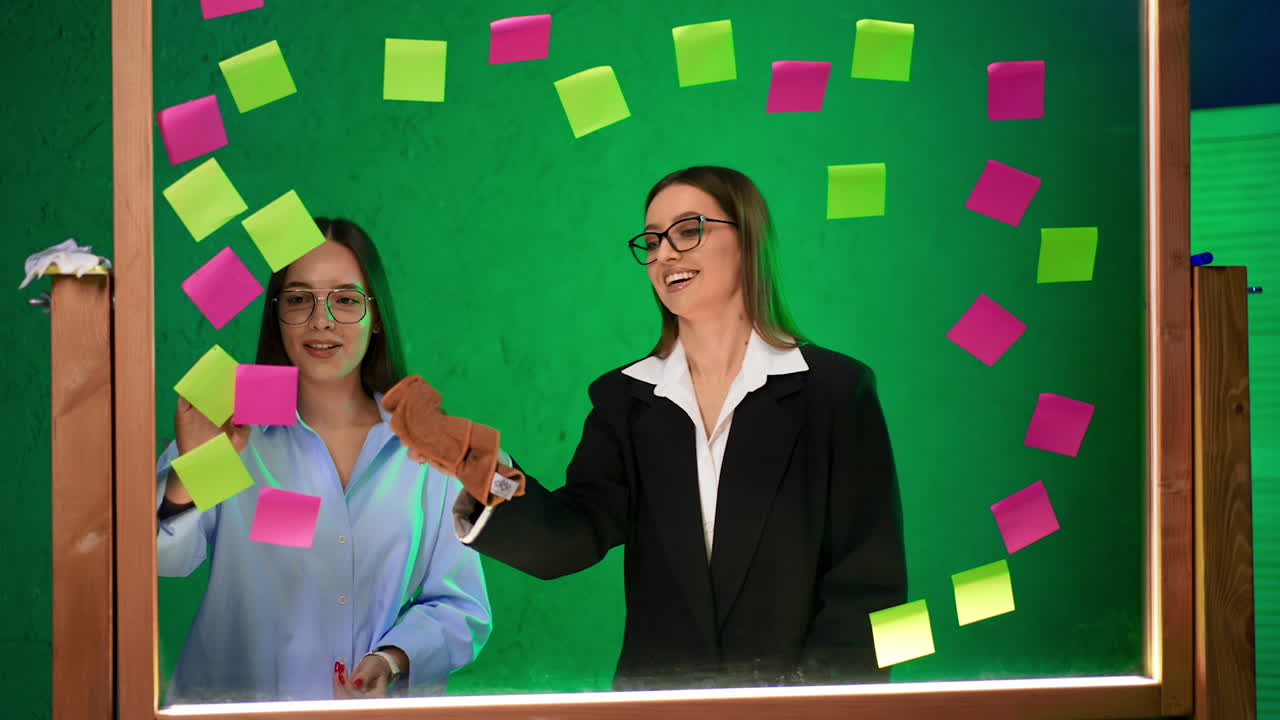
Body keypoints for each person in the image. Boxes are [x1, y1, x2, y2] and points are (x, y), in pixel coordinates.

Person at [442, 166, 907, 690]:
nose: (664, 254)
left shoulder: (838, 392)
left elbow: (872, 587)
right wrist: (482, 473)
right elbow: (567, 537)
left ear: (747, 238)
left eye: (688, 231)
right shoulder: (625, 400)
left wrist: (808, 707)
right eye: (652, 240)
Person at [156, 218, 492, 703]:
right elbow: (159, 562)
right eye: (298, 299)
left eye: (346, 299)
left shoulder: (427, 448)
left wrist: (392, 659)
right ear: (276, 315)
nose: (322, 320)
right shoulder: (227, 431)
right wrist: (192, 468)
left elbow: (462, 606)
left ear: (375, 316)